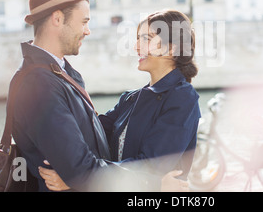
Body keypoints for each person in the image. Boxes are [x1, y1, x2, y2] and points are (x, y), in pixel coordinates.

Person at [11, 0, 185, 192]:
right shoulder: (38, 83)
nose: (87, 30)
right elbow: (80, 170)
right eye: (84, 22)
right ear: (57, 18)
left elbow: (90, 146)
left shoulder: (56, 74)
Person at [39, 10, 201, 191]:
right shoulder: (130, 98)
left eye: (147, 39)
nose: (136, 47)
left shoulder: (183, 98)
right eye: (138, 38)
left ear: (172, 48)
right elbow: (91, 132)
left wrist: (78, 178)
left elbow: (151, 167)